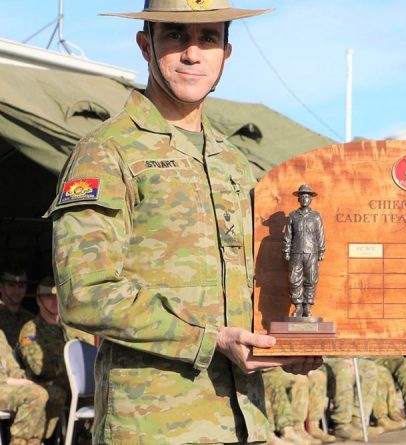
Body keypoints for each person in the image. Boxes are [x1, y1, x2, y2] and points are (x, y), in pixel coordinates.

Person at [46, 1, 320, 443]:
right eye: (175, 35)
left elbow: (251, 282)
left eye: (208, 38)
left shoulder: (233, 162)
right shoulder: (106, 151)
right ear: (145, 45)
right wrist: (210, 339)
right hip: (153, 426)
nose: (193, 53)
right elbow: (85, 293)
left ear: (226, 52)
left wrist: (289, 342)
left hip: (244, 422)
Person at [17, 277, 69, 441]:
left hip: (71, 386)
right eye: (48, 297)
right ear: (39, 300)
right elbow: (40, 369)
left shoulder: (69, 328)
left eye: (57, 297)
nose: (54, 301)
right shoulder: (31, 330)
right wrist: (70, 366)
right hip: (46, 386)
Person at [284, 184, 326, 318]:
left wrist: (321, 250)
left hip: (311, 252)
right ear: (298, 199)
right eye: (302, 196)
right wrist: (286, 251)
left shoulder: (316, 216)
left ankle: (307, 307)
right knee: (294, 279)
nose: (304, 199)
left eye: (307, 196)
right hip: (296, 252)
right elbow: (288, 235)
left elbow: (320, 234)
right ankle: (297, 306)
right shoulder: (292, 216)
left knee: (311, 279)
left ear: (311, 199)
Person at [0, 331, 48, 445]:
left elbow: (12, 365)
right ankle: (18, 441)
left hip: (6, 386)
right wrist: (6, 380)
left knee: (47, 392)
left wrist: (21, 378)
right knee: (35, 395)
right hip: (3, 384)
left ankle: (33, 441)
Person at [0, 266, 35, 349]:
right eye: (11, 285)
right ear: (0, 287)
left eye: (21, 286)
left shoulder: (31, 318)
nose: (16, 290)